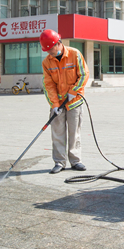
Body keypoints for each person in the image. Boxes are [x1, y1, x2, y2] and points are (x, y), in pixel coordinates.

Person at [40, 29, 90, 174]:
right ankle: (59, 162)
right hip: (58, 105)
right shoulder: (47, 62)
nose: (49, 52)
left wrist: (72, 92)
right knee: (57, 133)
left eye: (50, 49)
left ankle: (75, 161)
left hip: (74, 102)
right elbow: (48, 85)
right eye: (47, 50)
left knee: (74, 133)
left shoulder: (74, 54)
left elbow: (84, 75)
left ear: (58, 44)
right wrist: (54, 105)